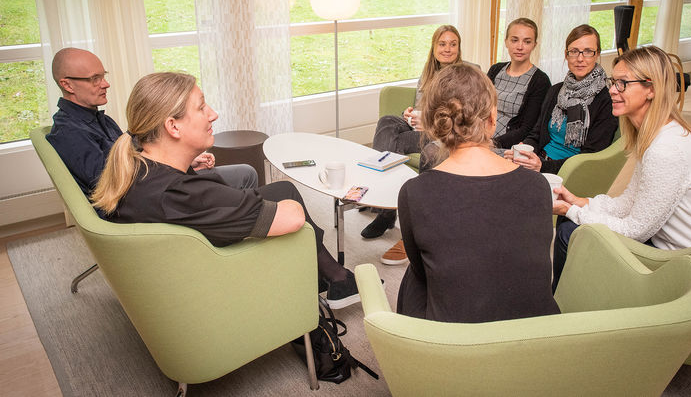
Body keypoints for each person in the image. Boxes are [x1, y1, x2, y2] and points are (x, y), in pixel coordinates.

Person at [90, 72, 361, 309]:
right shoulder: (185, 194)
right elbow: (292, 218)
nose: (213, 114)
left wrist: (188, 162)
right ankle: (335, 277)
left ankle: (332, 276)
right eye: (201, 107)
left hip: (175, 269)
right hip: (213, 280)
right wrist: (249, 204)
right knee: (288, 198)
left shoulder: (137, 166)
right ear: (172, 126)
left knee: (279, 189)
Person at [551, 45, 691, 289]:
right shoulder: (656, 136)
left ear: (651, 89)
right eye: (613, 81)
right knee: (571, 224)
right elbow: (629, 203)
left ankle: (561, 306)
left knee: (569, 232)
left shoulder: (665, 149)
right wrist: (579, 201)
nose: (612, 90)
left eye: (622, 83)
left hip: (688, 263)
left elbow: (635, 230)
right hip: (667, 243)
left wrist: (570, 211)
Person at [395, 63, 559, 323]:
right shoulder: (538, 186)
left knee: (414, 275)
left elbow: (420, 267)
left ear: (435, 123)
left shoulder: (414, 193)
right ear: (492, 120)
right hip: (534, 338)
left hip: (460, 343)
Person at [46, 47, 258, 197]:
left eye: (103, 76)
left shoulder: (98, 118)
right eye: (95, 79)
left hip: (157, 180)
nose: (106, 84)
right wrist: (177, 167)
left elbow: (131, 157)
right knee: (247, 176)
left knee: (245, 172)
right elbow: (112, 186)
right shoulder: (69, 134)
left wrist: (184, 161)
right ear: (68, 85)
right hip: (156, 193)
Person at [364, 25, 479, 266]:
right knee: (387, 122)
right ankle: (386, 204)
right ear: (434, 47)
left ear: (459, 48)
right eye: (442, 44)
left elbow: (466, 116)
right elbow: (421, 108)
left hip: (445, 133)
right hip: (422, 129)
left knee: (425, 149)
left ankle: (393, 215)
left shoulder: (468, 73)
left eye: (452, 44)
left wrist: (429, 124)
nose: (447, 49)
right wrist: (409, 114)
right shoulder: (428, 73)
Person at [505, 24, 618, 174]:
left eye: (588, 52)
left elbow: (591, 156)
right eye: (574, 51)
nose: (580, 58)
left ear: (597, 55)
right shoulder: (556, 91)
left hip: (570, 173)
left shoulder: (606, 100)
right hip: (540, 161)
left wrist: (542, 167)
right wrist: (523, 150)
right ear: (566, 54)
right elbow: (536, 134)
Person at [487, 17, 551, 150]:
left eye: (527, 42)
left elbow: (526, 129)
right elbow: (479, 108)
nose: (520, 47)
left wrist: (491, 143)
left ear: (534, 44)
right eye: (514, 40)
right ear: (506, 42)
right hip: (480, 135)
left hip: (507, 145)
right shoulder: (495, 70)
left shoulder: (540, 81)